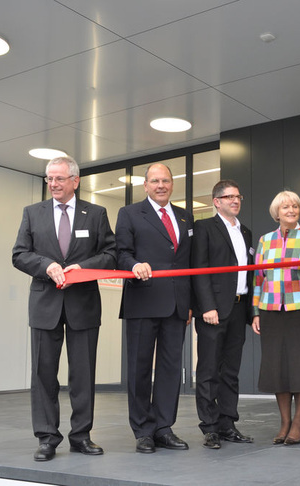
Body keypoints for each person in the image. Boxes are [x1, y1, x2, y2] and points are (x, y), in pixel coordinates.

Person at [12, 156, 116, 462]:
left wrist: (81, 268)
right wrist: (48, 265)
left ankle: (81, 436)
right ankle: (46, 437)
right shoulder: (32, 213)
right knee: (44, 374)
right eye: (49, 179)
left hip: (83, 303)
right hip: (45, 304)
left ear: (75, 180)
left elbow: (110, 254)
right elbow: (19, 255)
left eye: (59, 179)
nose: (53, 185)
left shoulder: (96, 213)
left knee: (83, 375)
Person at [115, 163, 194, 454]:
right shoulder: (130, 214)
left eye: (166, 181)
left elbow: (188, 263)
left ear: (172, 184)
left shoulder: (186, 217)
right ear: (145, 185)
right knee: (139, 368)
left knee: (171, 369)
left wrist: (190, 305)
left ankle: (163, 427)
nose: (161, 185)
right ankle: (143, 430)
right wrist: (134, 265)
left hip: (176, 304)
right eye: (155, 181)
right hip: (143, 301)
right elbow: (120, 253)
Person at [251, 191, 300, 446]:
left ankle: (298, 422)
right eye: (285, 206)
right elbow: (258, 277)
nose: (291, 210)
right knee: (278, 369)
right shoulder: (265, 241)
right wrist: (255, 311)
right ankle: (284, 422)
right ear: (277, 212)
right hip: (271, 309)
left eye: (295, 206)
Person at [191, 179, 255, 449]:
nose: (235, 201)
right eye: (229, 197)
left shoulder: (246, 232)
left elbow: (248, 274)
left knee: (231, 371)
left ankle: (228, 424)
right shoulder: (204, 227)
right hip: (213, 310)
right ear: (216, 202)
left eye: (238, 196)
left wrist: (252, 312)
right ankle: (210, 427)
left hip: (239, 309)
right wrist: (206, 306)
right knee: (208, 370)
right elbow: (199, 268)